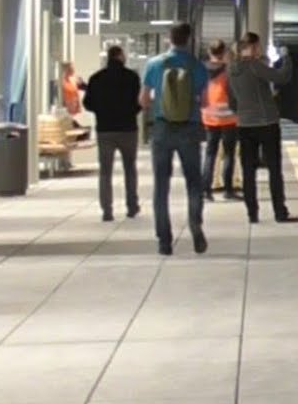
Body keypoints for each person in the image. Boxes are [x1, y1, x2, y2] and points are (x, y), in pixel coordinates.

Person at [140, 22, 210, 256]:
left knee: (161, 185)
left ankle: (164, 240)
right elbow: (206, 102)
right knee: (193, 182)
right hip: (189, 129)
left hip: (162, 128)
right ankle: (195, 224)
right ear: (189, 39)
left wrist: (161, 102)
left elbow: (144, 101)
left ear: (169, 38)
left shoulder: (154, 64)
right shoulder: (197, 67)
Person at [228, 32, 298, 224]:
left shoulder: (231, 69)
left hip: (244, 125)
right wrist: (286, 57)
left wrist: (243, 112)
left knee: (248, 171)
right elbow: (282, 77)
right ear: (252, 47)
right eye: (258, 46)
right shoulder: (254, 66)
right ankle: (280, 212)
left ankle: (252, 213)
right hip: (266, 122)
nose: (260, 50)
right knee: (274, 169)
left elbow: (231, 100)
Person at [83, 46, 142, 222]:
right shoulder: (132, 77)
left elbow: (88, 103)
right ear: (120, 56)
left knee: (105, 172)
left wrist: (102, 111)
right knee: (130, 168)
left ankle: (107, 210)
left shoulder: (96, 78)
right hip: (128, 129)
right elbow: (139, 102)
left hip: (105, 130)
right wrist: (131, 112)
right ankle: (132, 206)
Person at [201, 40, 239, 202]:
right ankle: (228, 190)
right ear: (224, 53)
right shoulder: (230, 70)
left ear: (209, 52)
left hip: (209, 116)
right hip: (229, 117)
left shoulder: (201, 70)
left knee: (210, 153)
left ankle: (206, 191)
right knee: (229, 154)